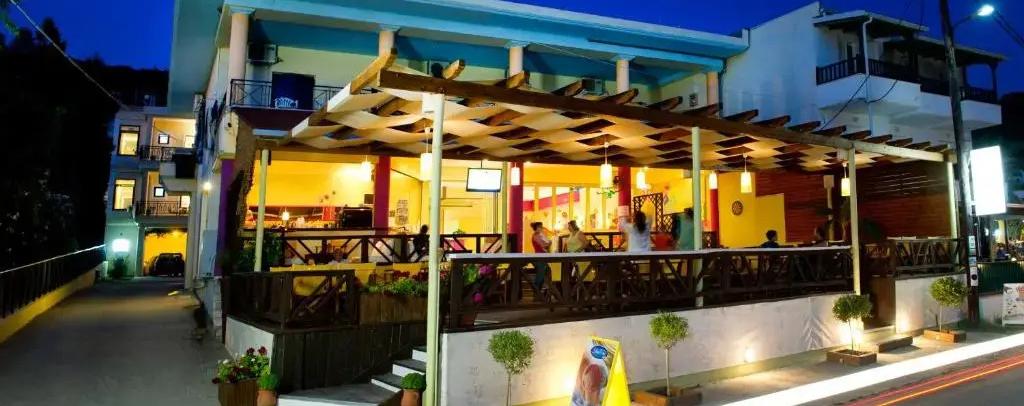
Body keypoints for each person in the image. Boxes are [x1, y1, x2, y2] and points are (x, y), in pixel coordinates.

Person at [530, 222, 552, 291]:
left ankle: (542, 290)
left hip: (542, 256)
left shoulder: (540, 235)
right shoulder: (536, 236)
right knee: (540, 275)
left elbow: (546, 244)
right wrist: (549, 243)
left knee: (546, 272)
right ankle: (538, 291)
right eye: (540, 227)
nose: (542, 228)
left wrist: (548, 243)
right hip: (540, 257)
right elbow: (545, 245)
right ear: (537, 228)